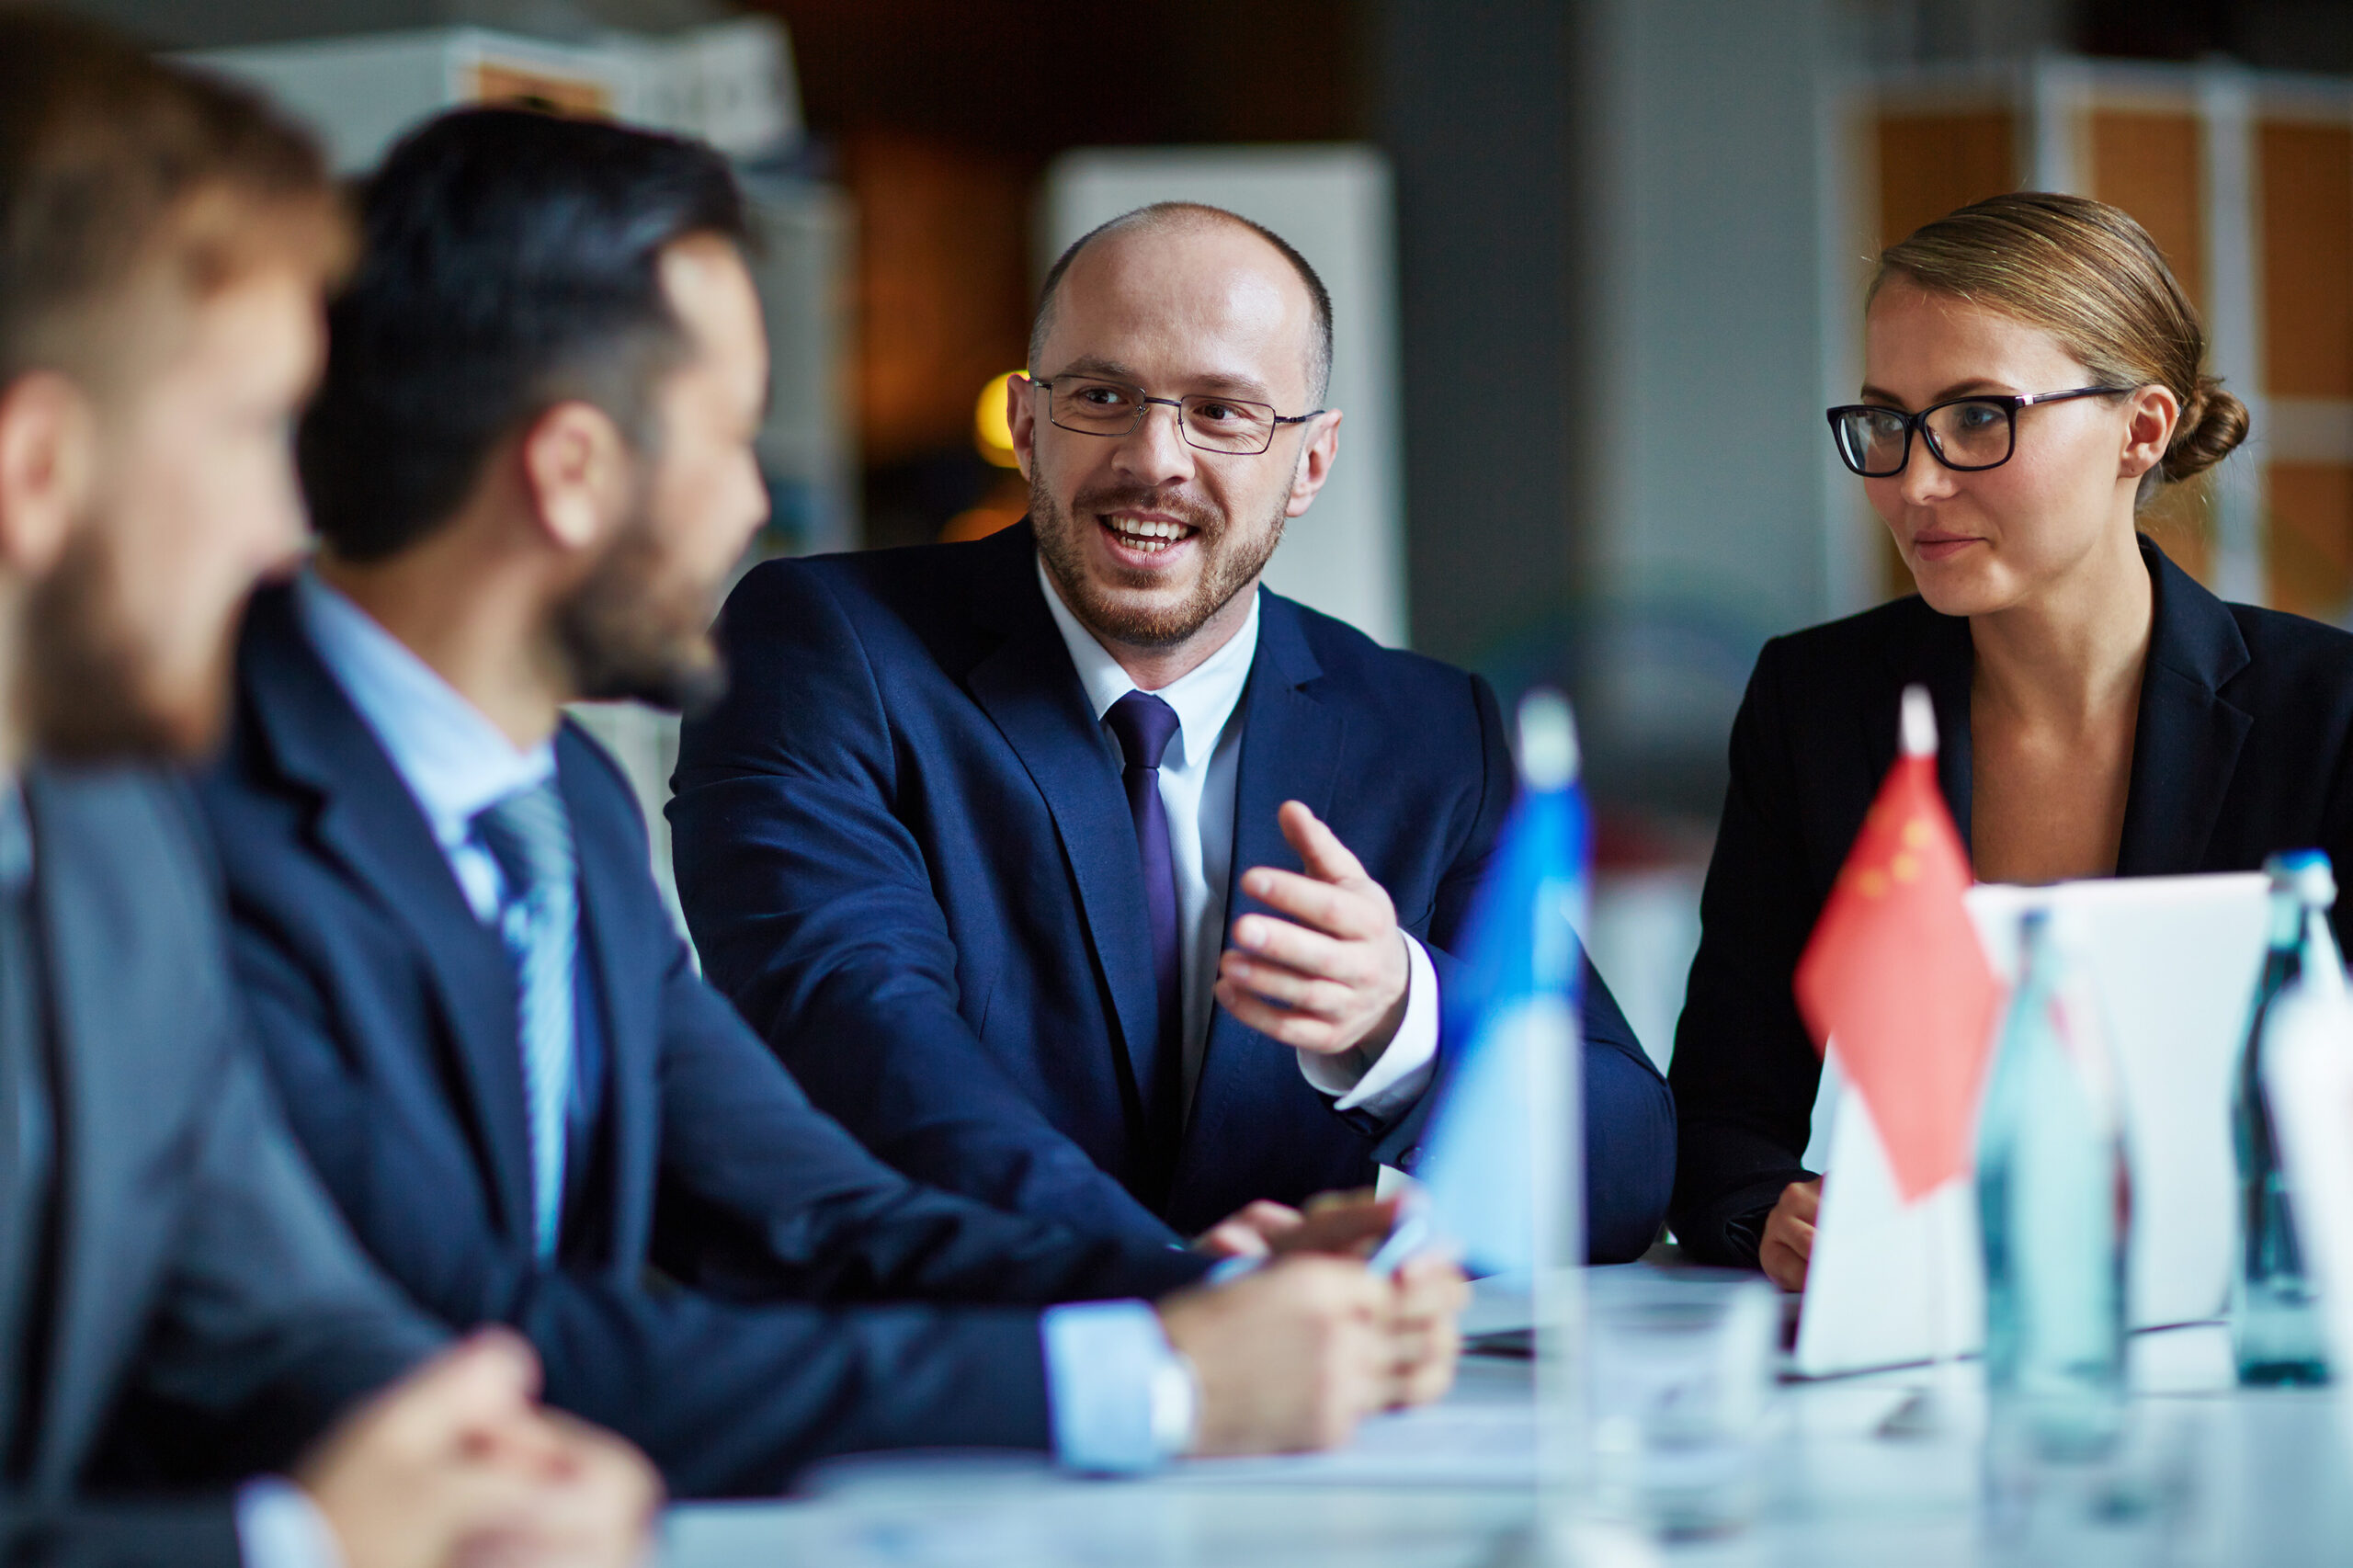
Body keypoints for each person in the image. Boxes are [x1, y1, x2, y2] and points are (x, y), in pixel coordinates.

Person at [196, 107, 1465, 1499]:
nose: (752, 507)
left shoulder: (553, 794)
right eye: (731, 437)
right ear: (569, 472)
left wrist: (1186, 1285)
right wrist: (1153, 1380)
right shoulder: (195, 828)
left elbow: (808, 1203)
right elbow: (475, 1329)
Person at [668, 202, 1676, 1263]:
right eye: (1102, 395)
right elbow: (863, 1042)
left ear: (1311, 462)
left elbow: (1623, 1175)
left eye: (1223, 412)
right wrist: (1181, 1292)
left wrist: (1401, 1020)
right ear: (1024, 420)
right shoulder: (822, 649)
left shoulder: (1430, 733)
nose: (1156, 458)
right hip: (945, 1391)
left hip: (1304, 1411)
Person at [0, 14, 656, 1565]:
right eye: (247, 433)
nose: (281, 525)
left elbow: (278, 1311)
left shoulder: (109, 839)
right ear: (35, 473)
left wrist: (483, 1458)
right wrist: (293, 1546)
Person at [1668, 190, 2353, 1289]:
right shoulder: (1818, 701)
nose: (1914, 483)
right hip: (1916, 1337)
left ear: (2141, 428)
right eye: (1887, 421)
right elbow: (1719, 1111)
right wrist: (1769, 1213)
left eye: (1980, 415)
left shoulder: (2325, 712)